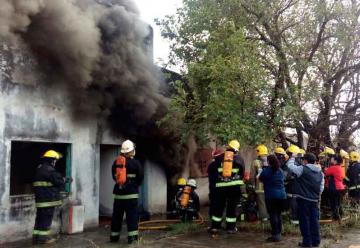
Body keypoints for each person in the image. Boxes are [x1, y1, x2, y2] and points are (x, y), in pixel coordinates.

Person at [287, 152, 324, 247]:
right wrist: (316, 195)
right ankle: (316, 241)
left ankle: (307, 242)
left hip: (303, 199)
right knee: (314, 220)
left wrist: (293, 157)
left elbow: (290, 166)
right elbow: (321, 187)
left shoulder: (303, 169)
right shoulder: (320, 172)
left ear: (306, 161)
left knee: (305, 221)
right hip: (315, 200)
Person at [32, 150, 70, 245]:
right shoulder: (49, 170)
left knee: (39, 219)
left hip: (40, 201)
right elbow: (58, 180)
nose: (55, 162)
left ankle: (36, 238)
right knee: (46, 220)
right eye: (55, 160)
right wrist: (66, 179)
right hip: (48, 200)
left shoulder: (39, 169)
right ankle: (42, 240)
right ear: (51, 160)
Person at [110, 140, 144, 244]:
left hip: (118, 195)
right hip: (131, 195)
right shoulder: (136, 163)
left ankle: (114, 237)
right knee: (132, 216)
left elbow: (114, 177)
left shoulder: (116, 162)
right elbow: (140, 177)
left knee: (116, 216)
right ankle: (132, 238)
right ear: (132, 151)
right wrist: (133, 185)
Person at [209, 140, 245, 235]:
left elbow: (214, 171)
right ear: (236, 150)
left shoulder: (219, 158)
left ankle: (215, 227)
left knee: (218, 207)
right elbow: (242, 174)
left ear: (228, 147)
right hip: (234, 187)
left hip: (220, 187)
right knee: (232, 207)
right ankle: (231, 228)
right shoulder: (239, 159)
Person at [259, 155, 286, 242]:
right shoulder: (280, 170)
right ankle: (279, 232)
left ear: (269, 161)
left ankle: (275, 234)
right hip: (282, 195)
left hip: (271, 196)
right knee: (278, 214)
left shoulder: (267, 171)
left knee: (273, 215)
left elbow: (260, 178)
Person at [250, 144, 269, 221]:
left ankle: (264, 218)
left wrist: (252, 185)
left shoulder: (255, 162)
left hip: (259, 186)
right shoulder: (269, 161)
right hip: (269, 186)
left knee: (261, 203)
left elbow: (252, 176)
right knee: (268, 201)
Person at [325, 155, 345, 221]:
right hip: (341, 187)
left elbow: (326, 173)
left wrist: (326, 169)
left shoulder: (333, 167)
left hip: (334, 188)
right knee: (338, 202)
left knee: (333, 202)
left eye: (332, 158)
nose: (331, 159)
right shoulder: (340, 167)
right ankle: (341, 214)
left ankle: (336, 217)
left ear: (335, 160)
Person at [285, 144, 301, 225]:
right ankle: (296, 219)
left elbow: (287, 175)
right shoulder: (301, 161)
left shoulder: (291, 162)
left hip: (292, 186)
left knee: (293, 202)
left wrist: (285, 180)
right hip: (299, 186)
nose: (288, 155)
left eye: (289, 154)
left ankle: (294, 220)